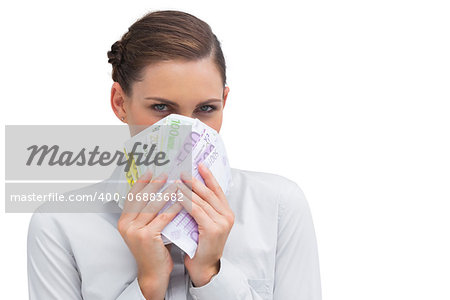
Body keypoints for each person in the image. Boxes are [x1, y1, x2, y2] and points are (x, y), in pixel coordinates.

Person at [27, 9, 322, 300]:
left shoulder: (279, 207)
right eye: (161, 108)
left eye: (206, 109)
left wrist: (211, 274)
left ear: (224, 101)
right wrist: (148, 285)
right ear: (120, 103)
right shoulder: (59, 224)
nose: (185, 133)